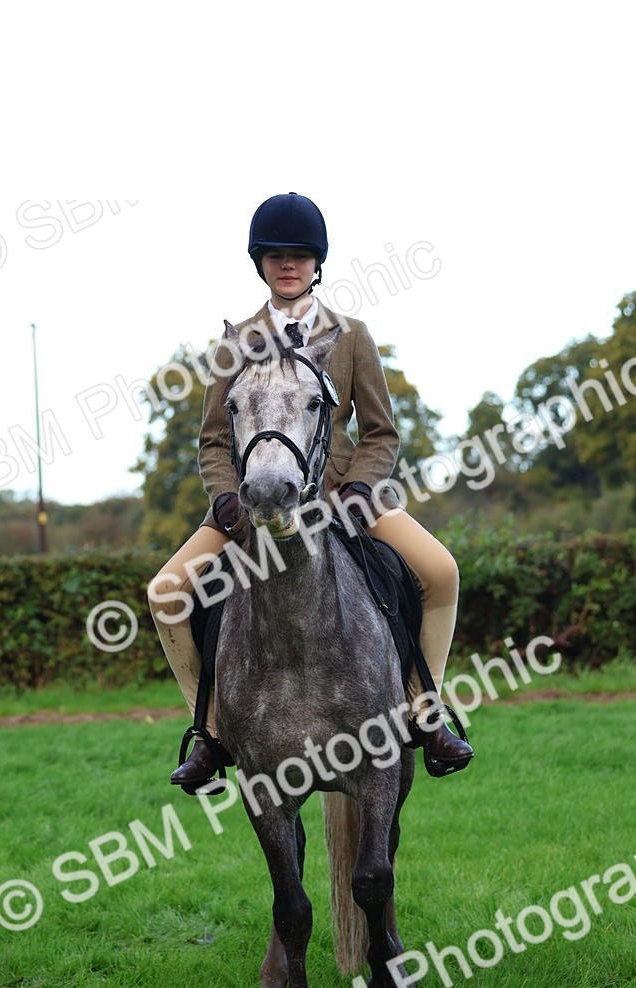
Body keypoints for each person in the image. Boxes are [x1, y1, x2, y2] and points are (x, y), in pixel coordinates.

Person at [148, 192, 473, 786]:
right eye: (275, 256)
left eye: (298, 255)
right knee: (165, 592)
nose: (287, 265)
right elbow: (214, 440)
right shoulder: (234, 343)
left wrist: (357, 489)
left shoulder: (351, 335)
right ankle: (211, 733)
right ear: (261, 264)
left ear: (316, 262)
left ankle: (427, 711)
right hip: (253, 503)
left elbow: (381, 432)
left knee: (442, 570)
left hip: (342, 498)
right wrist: (226, 496)